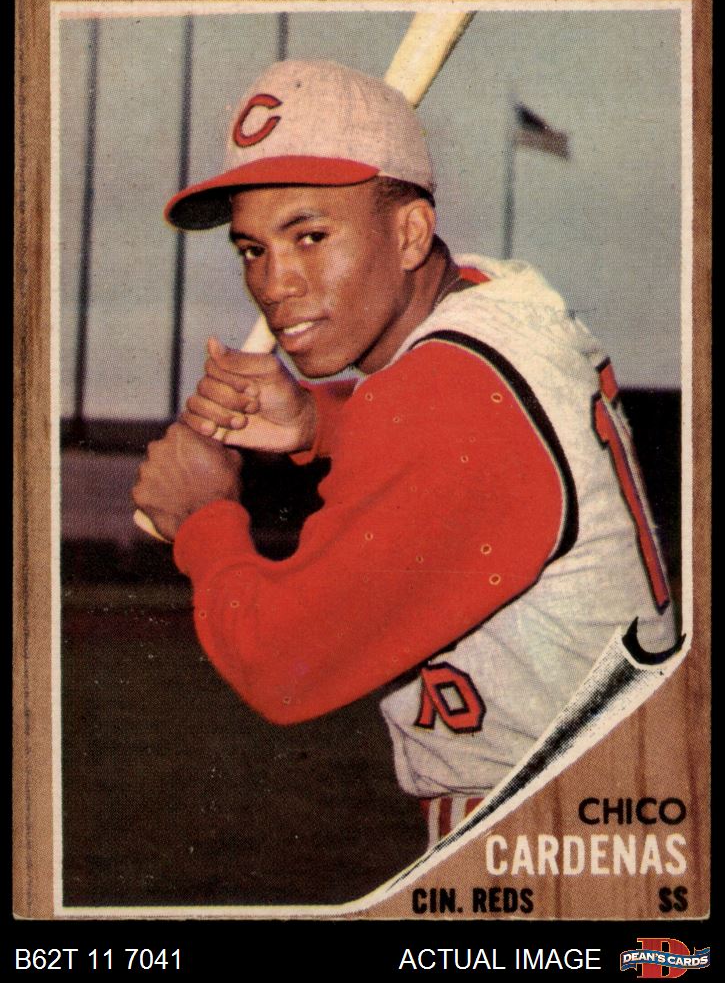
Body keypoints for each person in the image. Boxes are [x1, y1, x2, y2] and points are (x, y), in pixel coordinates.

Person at [133, 59, 677, 847]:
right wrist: (318, 424)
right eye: (251, 249)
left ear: (410, 233)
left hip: (540, 824)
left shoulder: (446, 394)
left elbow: (283, 664)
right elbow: (481, 456)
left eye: (310, 236)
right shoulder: (501, 301)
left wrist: (202, 517)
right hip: (607, 803)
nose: (275, 283)